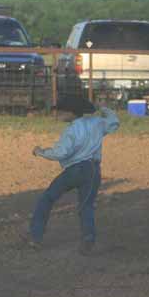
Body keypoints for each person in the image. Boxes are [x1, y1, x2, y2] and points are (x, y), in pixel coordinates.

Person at [24, 97, 120, 255]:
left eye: (61, 111)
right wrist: (103, 108)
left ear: (71, 113)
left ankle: (35, 236)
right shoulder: (97, 122)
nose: (58, 114)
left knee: (48, 198)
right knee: (86, 206)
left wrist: (41, 152)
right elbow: (114, 122)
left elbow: (62, 152)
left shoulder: (71, 130)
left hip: (74, 170)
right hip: (93, 170)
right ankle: (88, 240)